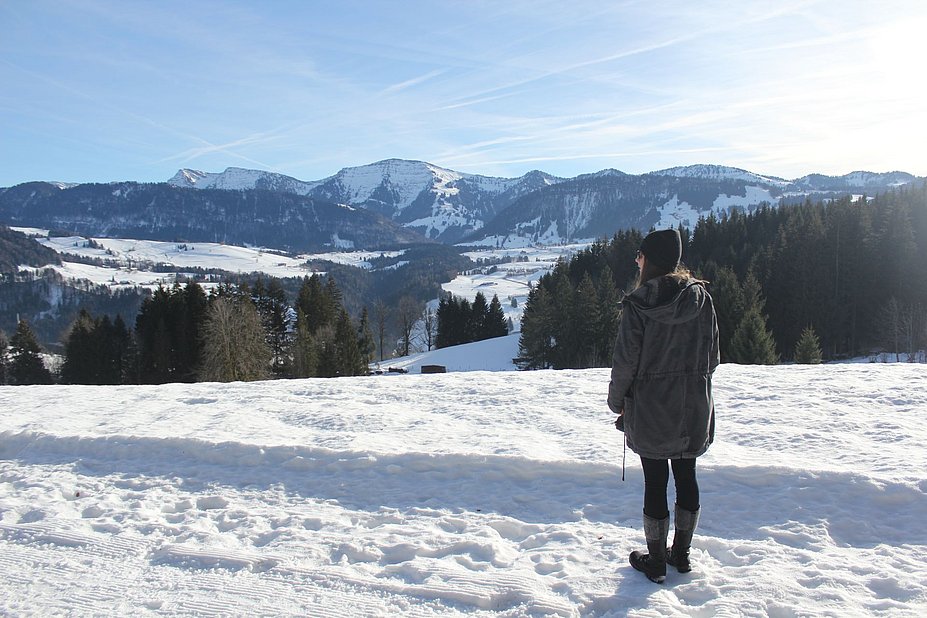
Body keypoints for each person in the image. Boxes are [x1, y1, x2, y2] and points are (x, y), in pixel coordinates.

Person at [607, 229, 719, 584]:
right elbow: (713, 356)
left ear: (649, 259)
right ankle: (680, 555)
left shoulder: (639, 305)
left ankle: (656, 561)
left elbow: (625, 364)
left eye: (639, 255)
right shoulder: (702, 299)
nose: (636, 261)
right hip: (694, 407)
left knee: (655, 482)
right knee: (687, 477)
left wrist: (616, 402)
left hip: (652, 409)